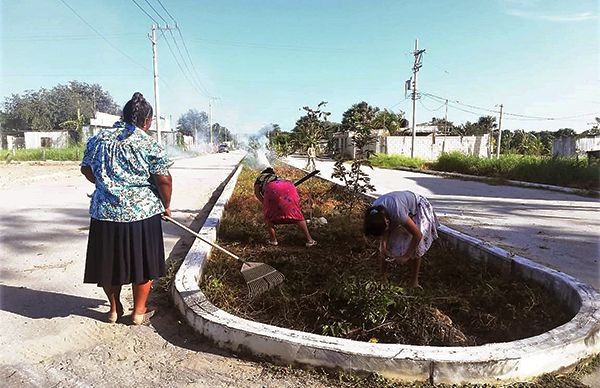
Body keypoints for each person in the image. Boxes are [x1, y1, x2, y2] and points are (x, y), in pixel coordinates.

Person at [80, 92, 172, 325]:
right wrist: (166, 205)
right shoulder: (148, 143)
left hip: (105, 213)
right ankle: (138, 312)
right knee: (143, 262)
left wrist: (105, 182)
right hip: (141, 213)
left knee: (108, 263)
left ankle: (113, 310)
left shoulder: (98, 139)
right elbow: (164, 180)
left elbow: (86, 170)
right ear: (147, 121)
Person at [363, 191, 439, 288]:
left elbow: (417, 235)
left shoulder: (398, 214)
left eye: (387, 228)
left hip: (418, 206)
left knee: (416, 247)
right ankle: (382, 278)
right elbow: (385, 233)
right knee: (383, 249)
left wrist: (406, 256)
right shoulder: (374, 214)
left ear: (387, 221)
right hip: (396, 208)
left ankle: (414, 282)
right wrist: (384, 247)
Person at [254, 167, 316, 247]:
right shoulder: (277, 177)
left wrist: (265, 203)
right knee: (296, 214)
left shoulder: (260, 178)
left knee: (269, 216)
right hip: (289, 186)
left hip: (271, 188)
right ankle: (310, 240)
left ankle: (273, 240)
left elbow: (257, 193)